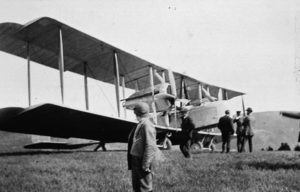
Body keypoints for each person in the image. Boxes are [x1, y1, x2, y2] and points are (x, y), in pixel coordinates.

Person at [127, 102, 158, 192]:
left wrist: (146, 164)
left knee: (145, 187)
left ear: (138, 112)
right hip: (136, 159)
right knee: (137, 187)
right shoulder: (141, 124)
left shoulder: (147, 125)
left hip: (142, 160)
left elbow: (150, 146)